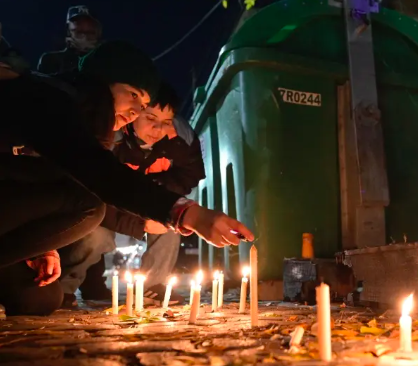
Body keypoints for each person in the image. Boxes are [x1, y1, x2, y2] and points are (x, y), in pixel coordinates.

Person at [0, 41, 253, 316]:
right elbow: (101, 175)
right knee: (88, 206)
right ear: (102, 81)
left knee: (41, 299)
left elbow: (59, 182)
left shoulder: (88, 127)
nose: (135, 111)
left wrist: (40, 249)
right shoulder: (48, 99)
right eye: (133, 95)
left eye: (142, 104)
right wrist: (186, 213)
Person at [60, 82, 205, 306]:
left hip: (143, 199)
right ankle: (64, 288)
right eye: (150, 119)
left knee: (172, 218)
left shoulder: (181, 139)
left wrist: (156, 191)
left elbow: (189, 175)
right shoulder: (108, 135)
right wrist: (139, 223)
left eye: (166, 122)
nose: (158, 129)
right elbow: (90, 193)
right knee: (95, 235)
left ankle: (152, 286)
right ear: (134, 113)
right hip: (104, 204)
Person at [37, 5, 102, 76]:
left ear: (98, 31)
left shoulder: (107, 62)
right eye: (78, 24)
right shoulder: (51, 60)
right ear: (68, 30)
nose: (84, 33)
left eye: (90, 30)